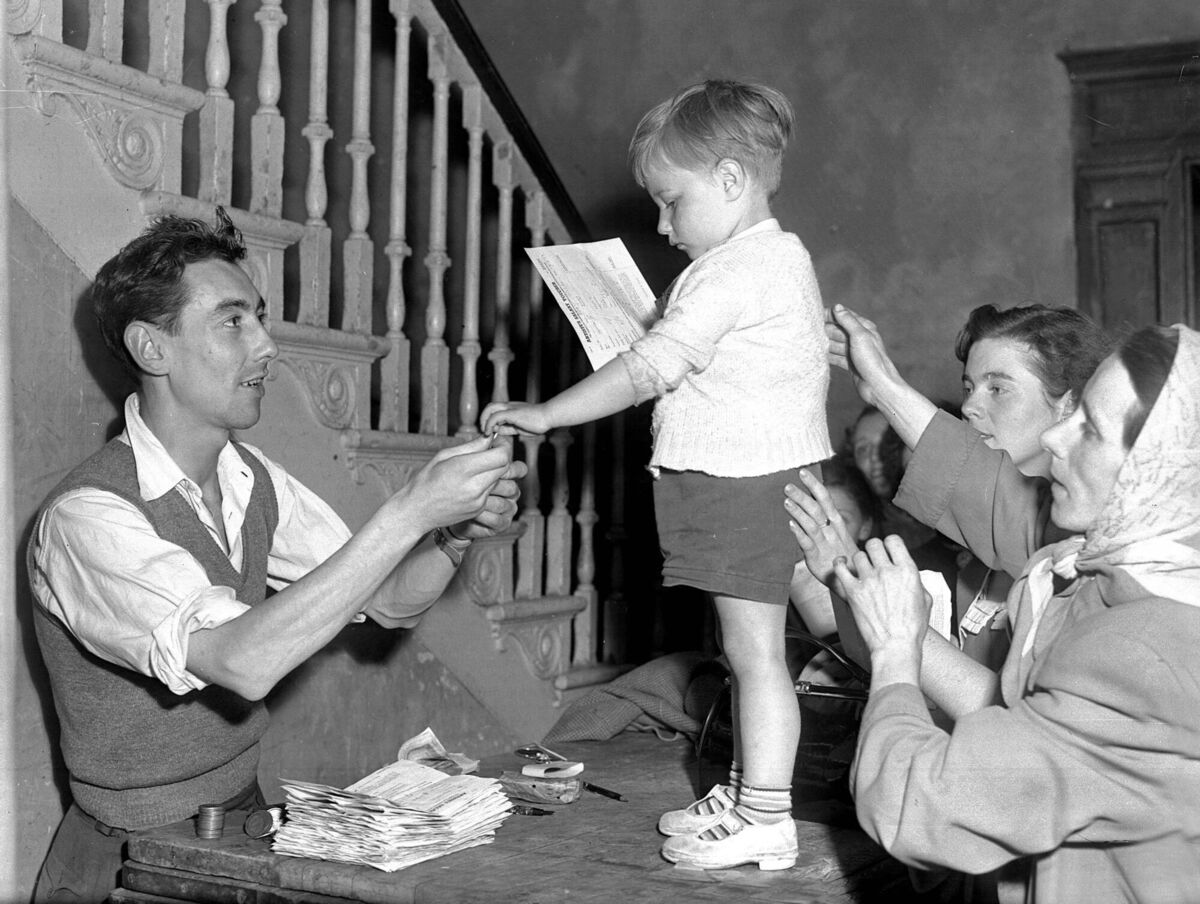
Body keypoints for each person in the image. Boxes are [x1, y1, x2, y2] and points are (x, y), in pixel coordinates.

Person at [28, 211, 526, 902]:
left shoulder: (249, 476)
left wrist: (452, 536)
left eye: (259, 319)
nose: (267, 346)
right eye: (233, 322)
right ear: (152, 348)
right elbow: (241, 662)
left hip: (238, 818)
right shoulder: (85, 519)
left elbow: (385, 601)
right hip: (123, 864)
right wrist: (411, 508)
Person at [481, 79, 832, 870]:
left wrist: (547, 414)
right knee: (745, 651)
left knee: (755, 656)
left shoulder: (741, 268)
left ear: (732, 181)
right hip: (744, 480)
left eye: (672, 203)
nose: (664, 225)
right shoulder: (759, 260)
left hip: (745, 484)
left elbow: (652, 368)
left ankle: (767, 820)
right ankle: (749, 794)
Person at [803, 324, 1200, 903]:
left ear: (1157, 466)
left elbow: (921, 808)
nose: (1058, 437)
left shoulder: (1141, 650)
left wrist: (894, 654)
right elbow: (1015, 713)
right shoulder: (1138, 574)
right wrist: (885, 616)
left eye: (1090, 427)